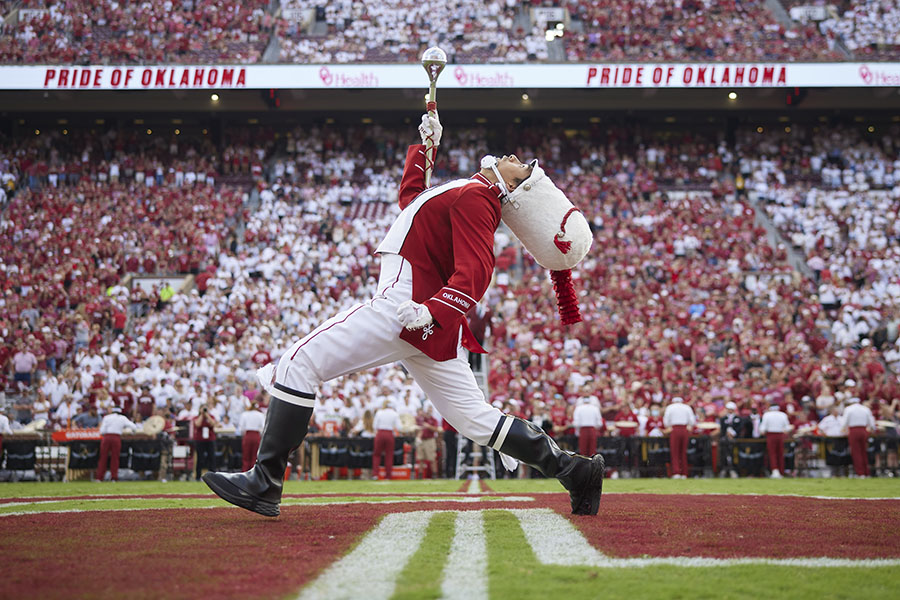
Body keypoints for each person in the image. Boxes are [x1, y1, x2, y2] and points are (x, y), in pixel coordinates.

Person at [202, 110, 604, 517]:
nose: (517, 156)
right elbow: (411, 201)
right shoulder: (471, 191)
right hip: (425, 323)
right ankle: (576, 471)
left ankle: (265, 482)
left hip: (405, 307)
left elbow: (477, 271)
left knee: (296, 364)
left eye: (524, 164)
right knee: (475, 419)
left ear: (515, 184)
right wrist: (425, 148)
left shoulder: (478, 197)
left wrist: (431, 311)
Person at [95, 406, 139, 482]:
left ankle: (99, 477)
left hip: (106, 437)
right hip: (116, 437)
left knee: (103, 458)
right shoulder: (122, 418)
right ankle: (114, 477)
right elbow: (134, 427)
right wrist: (132, 432)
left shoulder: (107, 417)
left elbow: (102, 431)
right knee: (115, 458)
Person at [842, 397, 875, 478]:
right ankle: (866, 472)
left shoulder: (848, 409)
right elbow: (871, 422)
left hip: (854, 431)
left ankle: (860, 473)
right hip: (864, 430)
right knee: (864, 451)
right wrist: (872, 429)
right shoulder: (865, 409)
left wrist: (843, 429)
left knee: (856, 452)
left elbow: (844, 422)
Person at [663, 397, 696, 479]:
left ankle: (676, 472)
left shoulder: (670, 407)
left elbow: (666, 421)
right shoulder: (686, 407)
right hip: (684, 429)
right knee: (683, 452)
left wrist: (669, 426)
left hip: (675, 429)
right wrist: (689, 426)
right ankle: (684, 473)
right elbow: (692, 420)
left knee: (675, 452)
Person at [759, 402, 791, 478]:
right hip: (780, 435)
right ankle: (781, 471)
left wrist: (762, 431)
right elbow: (787, 428)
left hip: (771, 435)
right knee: (780, 453)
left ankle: (775, 470)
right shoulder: (783, 415)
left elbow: (763, 428)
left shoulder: (767, 415)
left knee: (772, 453)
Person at [372, 400, 400, 480]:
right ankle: (388, 476)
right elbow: (399, 427)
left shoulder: (379, 412)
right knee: (389, 455)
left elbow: (374, 426)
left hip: (380, 433)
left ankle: (375, 474)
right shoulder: (394, 413)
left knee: (377, 454)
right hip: (389, 433)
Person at [193, 405, 219, 481]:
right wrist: (201, 414)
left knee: (211, 458)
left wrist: (207, 415)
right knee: (200, 458)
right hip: (200, 440)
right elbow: (197, 424)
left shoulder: (211, 416)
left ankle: (213, 476)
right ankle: (198, 476)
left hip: (210, 439)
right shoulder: (197, 417)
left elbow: (213, 423)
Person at [238, 401, 266, 471]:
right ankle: (253, 473)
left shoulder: (245, 414)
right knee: (254, 457)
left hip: (247, 436)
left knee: (246, 457)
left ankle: (245, 472)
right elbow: (263, 428)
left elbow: (241, 428)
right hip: (256, 436)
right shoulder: (260, 415)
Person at [718, 401, 743, 478]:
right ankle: (724, 469)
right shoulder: (723, 419)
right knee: (724, 454)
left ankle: (734, 470)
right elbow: (722, 429)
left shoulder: (738, 418)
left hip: (735, 440)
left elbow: (739, 428)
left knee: (734, 455)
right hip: (725, 441)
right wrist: (727, 433)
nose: (730, 410)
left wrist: (733, 433)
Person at [415, 406, 440, 478]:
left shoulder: (433, 420)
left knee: (432, 458)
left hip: (430, 440)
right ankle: (420, 476)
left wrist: (428, 426)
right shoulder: (421, 419)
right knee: (420, 459)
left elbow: (436, 429)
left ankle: (434, 475)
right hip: (421, 440)